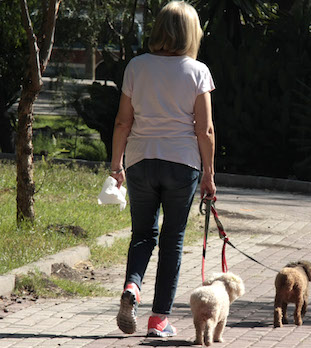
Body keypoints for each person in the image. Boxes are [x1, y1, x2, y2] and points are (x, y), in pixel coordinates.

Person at [110, 1, 216, 337]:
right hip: (182, 164)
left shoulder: (136, 67)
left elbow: (122, 121)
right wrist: (209, 174)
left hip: (140, 160)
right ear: (190, 33)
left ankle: (132, 287)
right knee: (172, 240)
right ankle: (159, 320)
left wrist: (117, 165)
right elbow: (205, 130)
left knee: (142, 236)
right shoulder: (197, 71)